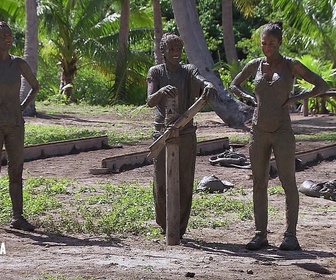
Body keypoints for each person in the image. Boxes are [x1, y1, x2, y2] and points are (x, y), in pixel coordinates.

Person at [229, 22, 329, 251]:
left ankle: (290, 236)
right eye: (264, 44)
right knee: (259, 183)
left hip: (283, 131)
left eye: (271, 43)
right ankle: (260, 234)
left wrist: (296, 98)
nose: (267, 48)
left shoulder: (291, 65)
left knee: (288, 183)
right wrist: (248, 98)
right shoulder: (255, 65)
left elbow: (321, 85)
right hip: (258, 130)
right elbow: (234, 85)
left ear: (279, 43)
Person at [146, 33, 217, 238]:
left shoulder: (188, 70)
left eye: (179, 49)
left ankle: (180, 228)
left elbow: (200, 79)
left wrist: (208, 85)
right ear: (163, 52)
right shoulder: (156, 72)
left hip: (185, 132)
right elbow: (150, 100)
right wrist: (161, 92)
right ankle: (164, 223)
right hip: (162, 133)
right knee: (161, 183)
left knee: (185, 182)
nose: (176, 53)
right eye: (171, 49)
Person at [0, 21, 40, 231]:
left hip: (15, 124)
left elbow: (35, 86)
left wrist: (22, 107)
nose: (8, 38)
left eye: (9, 35)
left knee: (16, 171)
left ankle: (17, 217)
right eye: (3, 35)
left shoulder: (18, 64)